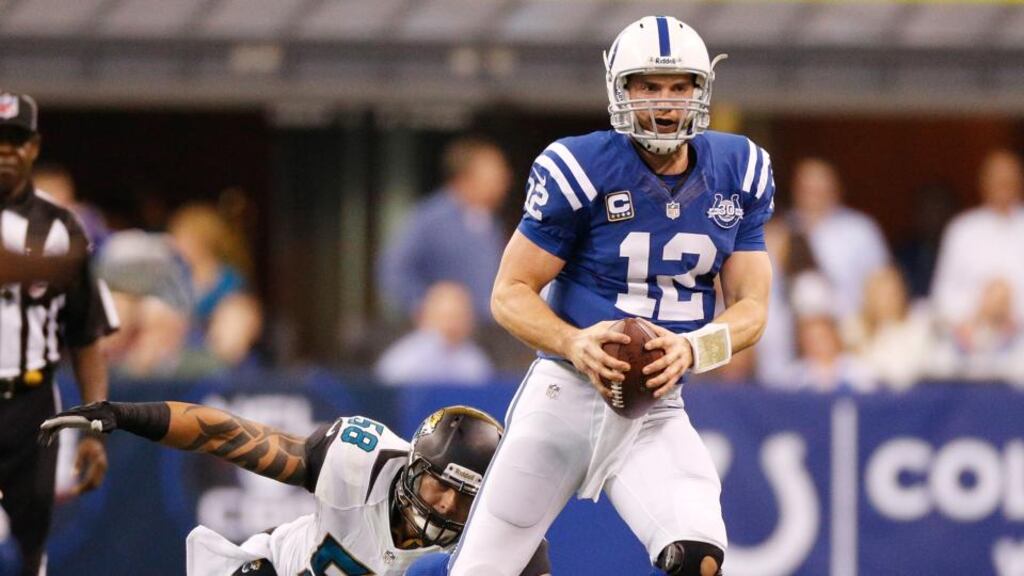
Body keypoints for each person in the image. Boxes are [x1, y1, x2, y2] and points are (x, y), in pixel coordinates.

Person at [409, 16, 774, 576]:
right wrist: (574, 342)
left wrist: (694, 348)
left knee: (698, 557)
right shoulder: (582, 168)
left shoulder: (738, 170)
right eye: (648, 86)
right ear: (620, 89)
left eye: (679, 86)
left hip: (657, 408)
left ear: (701, 91)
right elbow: (509, 292)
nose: (665, 102)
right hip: (565, 396)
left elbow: (753, 309)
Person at [39, 402, 551, 576]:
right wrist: (128, 415)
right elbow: (227, 436)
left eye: (466, 497)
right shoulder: (359, 460)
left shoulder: (507, 537)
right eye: (440, 484)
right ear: (415, 465)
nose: (446, 504)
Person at [0, 91, 118, 576]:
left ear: (34, 146)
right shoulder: (64, 240)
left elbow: (86, 337)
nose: (6, 150)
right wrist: (48, 266)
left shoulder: (63, 227)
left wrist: (94, 427)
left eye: (16, 139)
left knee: (31, 543)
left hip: (31, 402)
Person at [377, 137, 512, 321]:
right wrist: (424, 305)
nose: (504, 180)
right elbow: (394, 270)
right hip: (448, 331)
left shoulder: (491, 222)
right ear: (465, 178)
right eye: (494, 174)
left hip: (488, 327)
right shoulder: (429, 219)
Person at [787, 157, 890, 320]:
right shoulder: (779, 230)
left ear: (836, 189)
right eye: (807, 188)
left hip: (851, 327)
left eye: (820, 188)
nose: (813, 194)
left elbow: (882, 285)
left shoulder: (860, 230)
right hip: (793, 331)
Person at [932, 149, 1024, 327]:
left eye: (1009, 178)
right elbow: (943, 297)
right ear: (983, 182)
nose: (1003, 184)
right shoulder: (962, 230)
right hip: (973, 333)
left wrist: (1010, 308)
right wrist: (984, 306)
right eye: (997, 178)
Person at [168, 203, 262, 369]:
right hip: (176, 351)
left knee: (237, 313)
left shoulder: (229, 280)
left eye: (182, 238)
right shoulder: (173, 279)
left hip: (219, 354)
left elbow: (239, 324)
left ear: (202, 240)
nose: (174, 244)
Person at [375, 281, 494, 387]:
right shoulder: (405, 359)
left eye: (460, 316)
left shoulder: (474, 360)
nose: (452, 324)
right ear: (423, 317)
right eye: (446, 316)